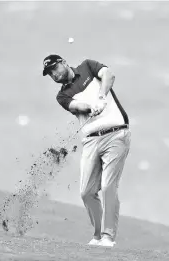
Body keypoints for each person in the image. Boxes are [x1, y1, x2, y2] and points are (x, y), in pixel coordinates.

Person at [42, 54, 131, 247]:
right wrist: (92, 107)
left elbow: (109, 75)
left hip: (116, 134)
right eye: (50, 74)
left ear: (64, 63)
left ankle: (108, 236)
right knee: (86, 192)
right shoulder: (62, 95)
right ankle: (98, 235)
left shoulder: (88, 67)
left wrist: (101, 96)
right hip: (91, 141)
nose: (54, 75)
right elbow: (77, 106)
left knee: (108, 186)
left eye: (55, 69)